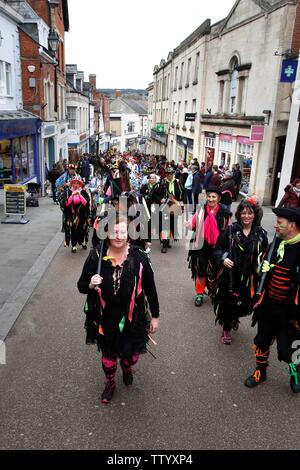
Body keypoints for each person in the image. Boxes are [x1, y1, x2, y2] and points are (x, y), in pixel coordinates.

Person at [77, 214, 160, 404]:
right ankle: (110, 383)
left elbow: (151, 290)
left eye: (123, 231)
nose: (119, 236)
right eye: (115, 232)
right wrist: (90, 284)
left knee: (131, 357)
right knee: (108, 355)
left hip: (133, 318)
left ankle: (127, 367)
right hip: (104, 318)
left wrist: (155, 316)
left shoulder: (140, 258)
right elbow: (81, 286)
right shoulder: (96, 256)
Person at [244, 207, 300, 393]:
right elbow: (260, 273)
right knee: (261, 340)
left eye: (280, 223)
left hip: (290, 312)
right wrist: (261, 268)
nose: (275, 226)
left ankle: (295, 372)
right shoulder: (276, 242)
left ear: (292, 226)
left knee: (288, 349)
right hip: (268, 305)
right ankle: (261, 371)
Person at [211, 198, 268, 344]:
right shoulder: (230, 231)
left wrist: (262, 266)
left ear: (255, 214)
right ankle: (226, 327)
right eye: (243, 213)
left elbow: (265, 255)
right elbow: (217, 249)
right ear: (239, 214)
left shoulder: (260, 234)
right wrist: (223, 259)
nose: (246, 216)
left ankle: (234, 317)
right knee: (228, 303)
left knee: (245, 305)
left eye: (250, 213)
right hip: (230, 276)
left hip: (249, 277)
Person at [186, 187, 231, 307]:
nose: (211, 199)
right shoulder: (201, 210)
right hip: (202, 245)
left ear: (219, 199)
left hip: (218, 247)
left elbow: (229, 229)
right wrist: (188, 224)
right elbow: (193, 223)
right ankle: (199, 294)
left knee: (217, 270)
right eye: (209, 196)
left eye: (213, 197)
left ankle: (214, 292)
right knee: (200, 270)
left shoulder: (225, 213)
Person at [159, 167, 183, 253]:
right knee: (165, 225)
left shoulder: (177, 182)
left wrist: (181, 204)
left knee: (172, 224)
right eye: (167, 174)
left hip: (174, 206)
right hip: (165, 206)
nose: (169, 175)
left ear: (173, 174)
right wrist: (160, 199)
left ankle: (168, 240)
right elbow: (157, 194)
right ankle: (164, 243)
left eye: (171, 174)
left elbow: (181, 194)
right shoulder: (162, 183)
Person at [64, 177, 90, 253]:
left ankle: (83, 242)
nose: (76, 185)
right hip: (72, 216)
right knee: (73, 230)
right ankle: (74, 245)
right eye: (74, 183)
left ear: (80, 184)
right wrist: (72, 195)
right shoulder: (68, 192)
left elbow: (86, 203)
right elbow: (66, 204)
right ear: (72, 184)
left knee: (83, 230)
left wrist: (80, 195)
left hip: (82, 215)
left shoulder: (83, 192)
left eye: (77, 183)